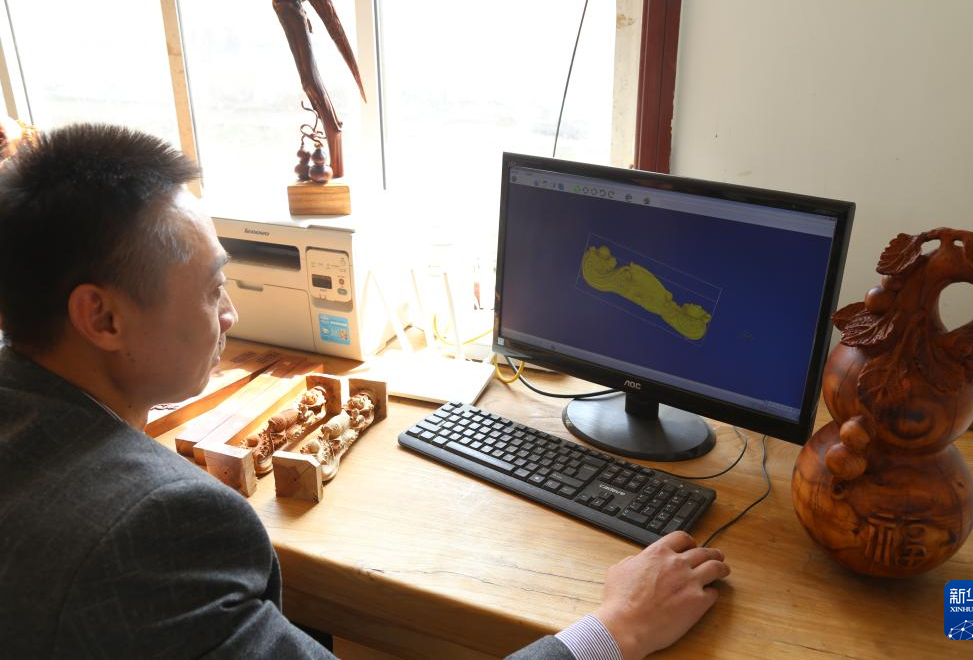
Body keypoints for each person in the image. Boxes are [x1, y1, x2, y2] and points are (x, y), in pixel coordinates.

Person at [0, 124, 730, 659]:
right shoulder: (157, 530)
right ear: (102, 317)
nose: (232, 315)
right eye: (213, 288)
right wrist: (617, 627)